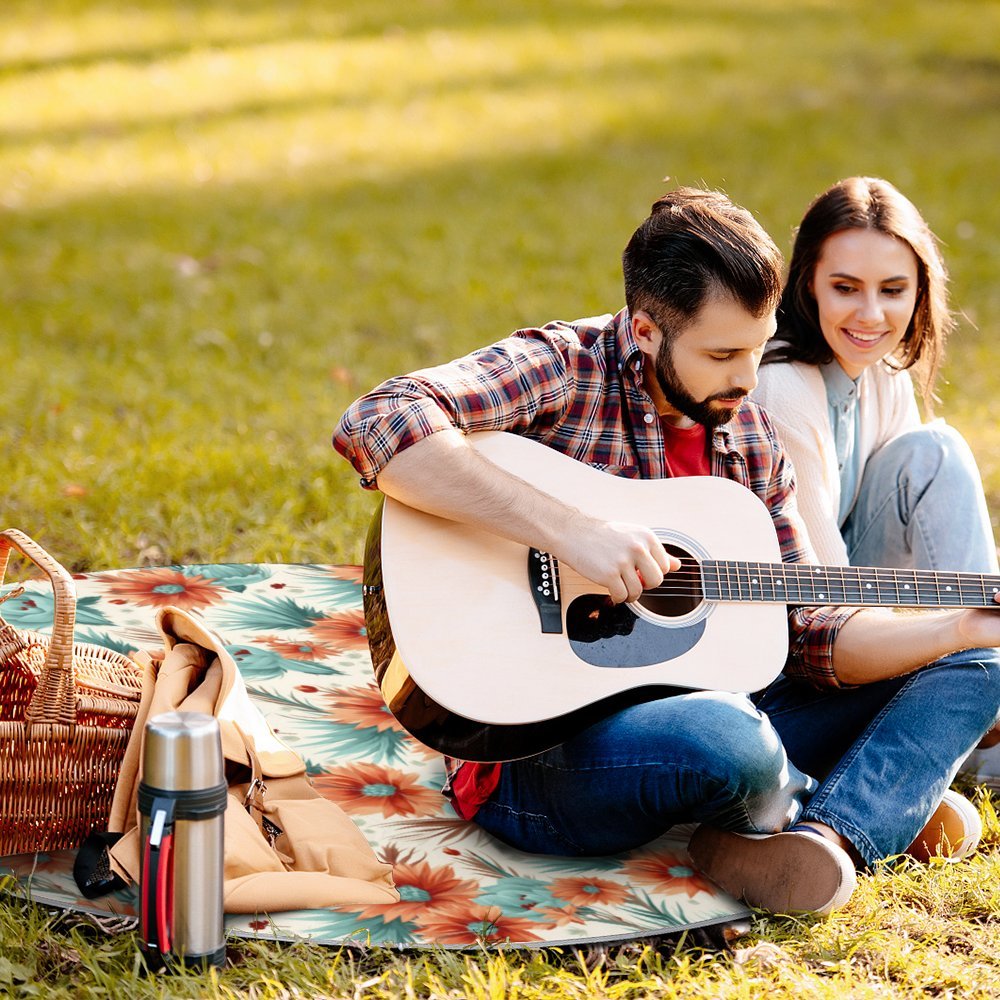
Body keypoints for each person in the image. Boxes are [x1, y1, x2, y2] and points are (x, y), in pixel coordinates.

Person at [333, 187, 1000, 916]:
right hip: (538, 755)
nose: (748, 380)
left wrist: (956, 628)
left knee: (980, 664)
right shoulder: (564, 367)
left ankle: (829, 836)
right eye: (722, 354)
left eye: (757, 346)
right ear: (646, 330)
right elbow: (380, 419)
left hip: (727, 709)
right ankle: (858, 796)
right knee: (728, 741)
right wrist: (569, 531)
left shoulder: (748, 435)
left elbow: (809, 629)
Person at [753, 176, 1000, 788]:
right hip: (795, 649)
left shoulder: (882, 370)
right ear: (807, 281)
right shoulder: (783, 386)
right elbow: (824, 602)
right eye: (845, 288)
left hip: (861, 613)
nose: (871, 315)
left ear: (920, 291)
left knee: (931, 451)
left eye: (893, 290)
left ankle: (979, 694)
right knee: (937, 451)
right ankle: (977, 726)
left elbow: (920, 543)